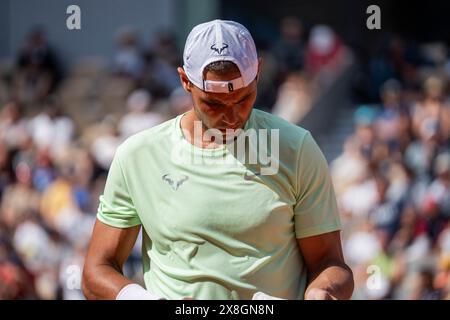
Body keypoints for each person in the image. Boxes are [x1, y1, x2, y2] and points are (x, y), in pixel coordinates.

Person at [82, 19, 354, 300]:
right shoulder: (137, 156)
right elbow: (96, 271)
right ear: (185, 81)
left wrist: (322, 292)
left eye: (244, 99)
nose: (231, 116)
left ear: (258, 74)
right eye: (213, 103)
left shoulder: (297, 149)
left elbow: (329, 264)